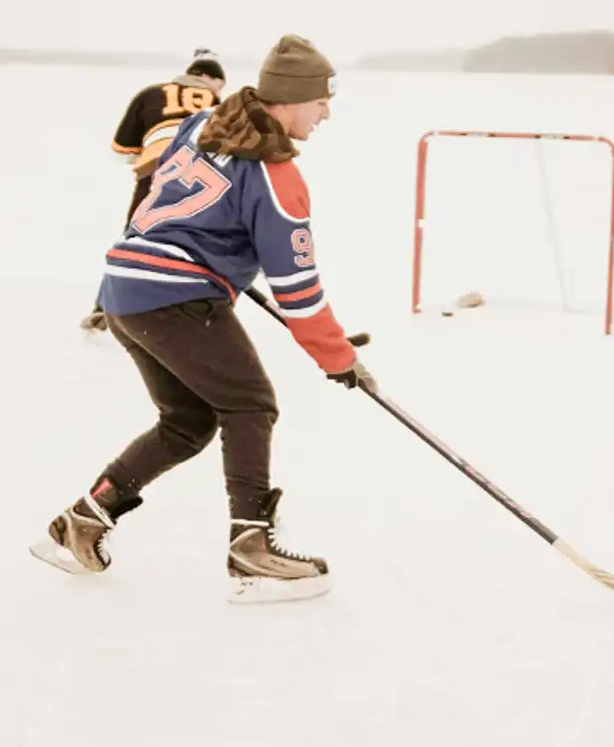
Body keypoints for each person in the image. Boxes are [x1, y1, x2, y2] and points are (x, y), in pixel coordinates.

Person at [32, 34, 374, 604]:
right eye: (320, 101)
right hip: (175, 297)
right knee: (251, 404)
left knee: (187, 422)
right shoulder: (277, 176)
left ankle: (82, 523)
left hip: (125, 288)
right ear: (290, 100)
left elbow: (158, 190)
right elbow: (298, 290)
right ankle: (252, 550)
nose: (327, 113)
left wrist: (217, 258)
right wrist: (340, 358)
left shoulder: (207, 124)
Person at [81, 49, 228, 332]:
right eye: (220, 84)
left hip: (156, 170)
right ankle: (196, 308)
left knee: (134, 238)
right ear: (208, 78)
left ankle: (104, 311)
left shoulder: (150, 94)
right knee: (199, 240)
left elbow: (121, 151)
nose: (220, 90)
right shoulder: (218, 103)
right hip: (204, 178)